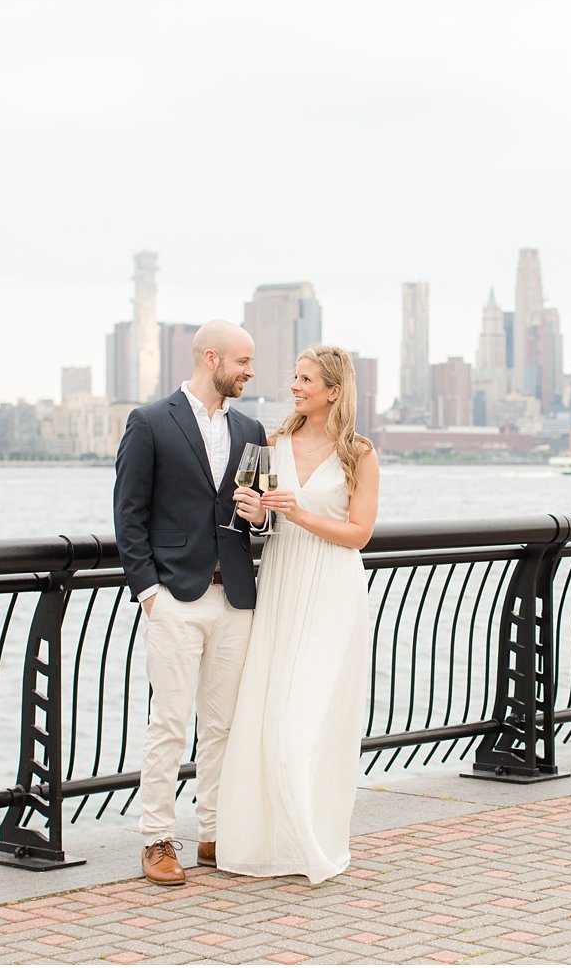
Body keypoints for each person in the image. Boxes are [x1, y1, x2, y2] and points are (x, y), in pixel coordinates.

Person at [112, 319, 268, 887]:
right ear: (211, 358)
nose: (251, 371)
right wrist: (149, 592)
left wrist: (263, 515)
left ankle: (214, 832)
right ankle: (157, 839)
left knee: (224, 724)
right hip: (174, 596)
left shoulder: (252, 427)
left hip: (236, 598)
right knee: (169, 724)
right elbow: (128, 515)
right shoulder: (150, 421)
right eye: (243, 361)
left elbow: (260, 515)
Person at [215, 345, 379, 884]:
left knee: (309, 722)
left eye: (306, 378)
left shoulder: (360, 453)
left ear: (334, 390)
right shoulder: (272, 444)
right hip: (283, 585)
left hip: (333, 591)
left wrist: (300, 513)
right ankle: (270, 842)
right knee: (271, 716)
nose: (295, 385)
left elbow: (359, 535)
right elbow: (260, 523)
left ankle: (313, 840)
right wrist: (257, 512)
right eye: (295, 376)